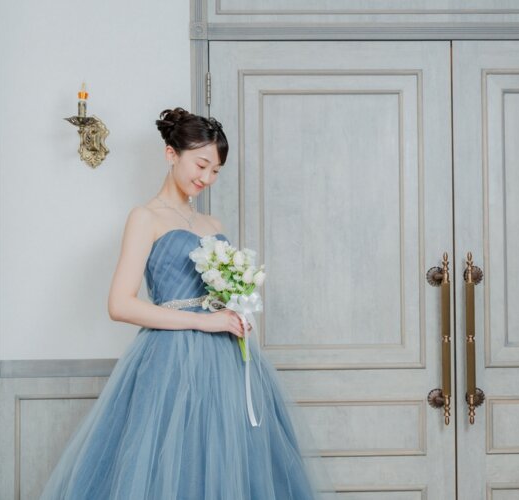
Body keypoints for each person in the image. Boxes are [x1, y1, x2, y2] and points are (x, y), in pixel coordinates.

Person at [39, 107, 332, 499]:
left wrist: (235, 311)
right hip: (170, 361)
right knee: (174, 468)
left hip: (228, 362)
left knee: (230, 463)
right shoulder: (145, 217)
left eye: (215, 171)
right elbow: (120, 305)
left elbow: (218, 294)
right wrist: (203, 321)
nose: (206, 178)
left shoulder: (214, 225)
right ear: (171, 154)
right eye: (201, 165)